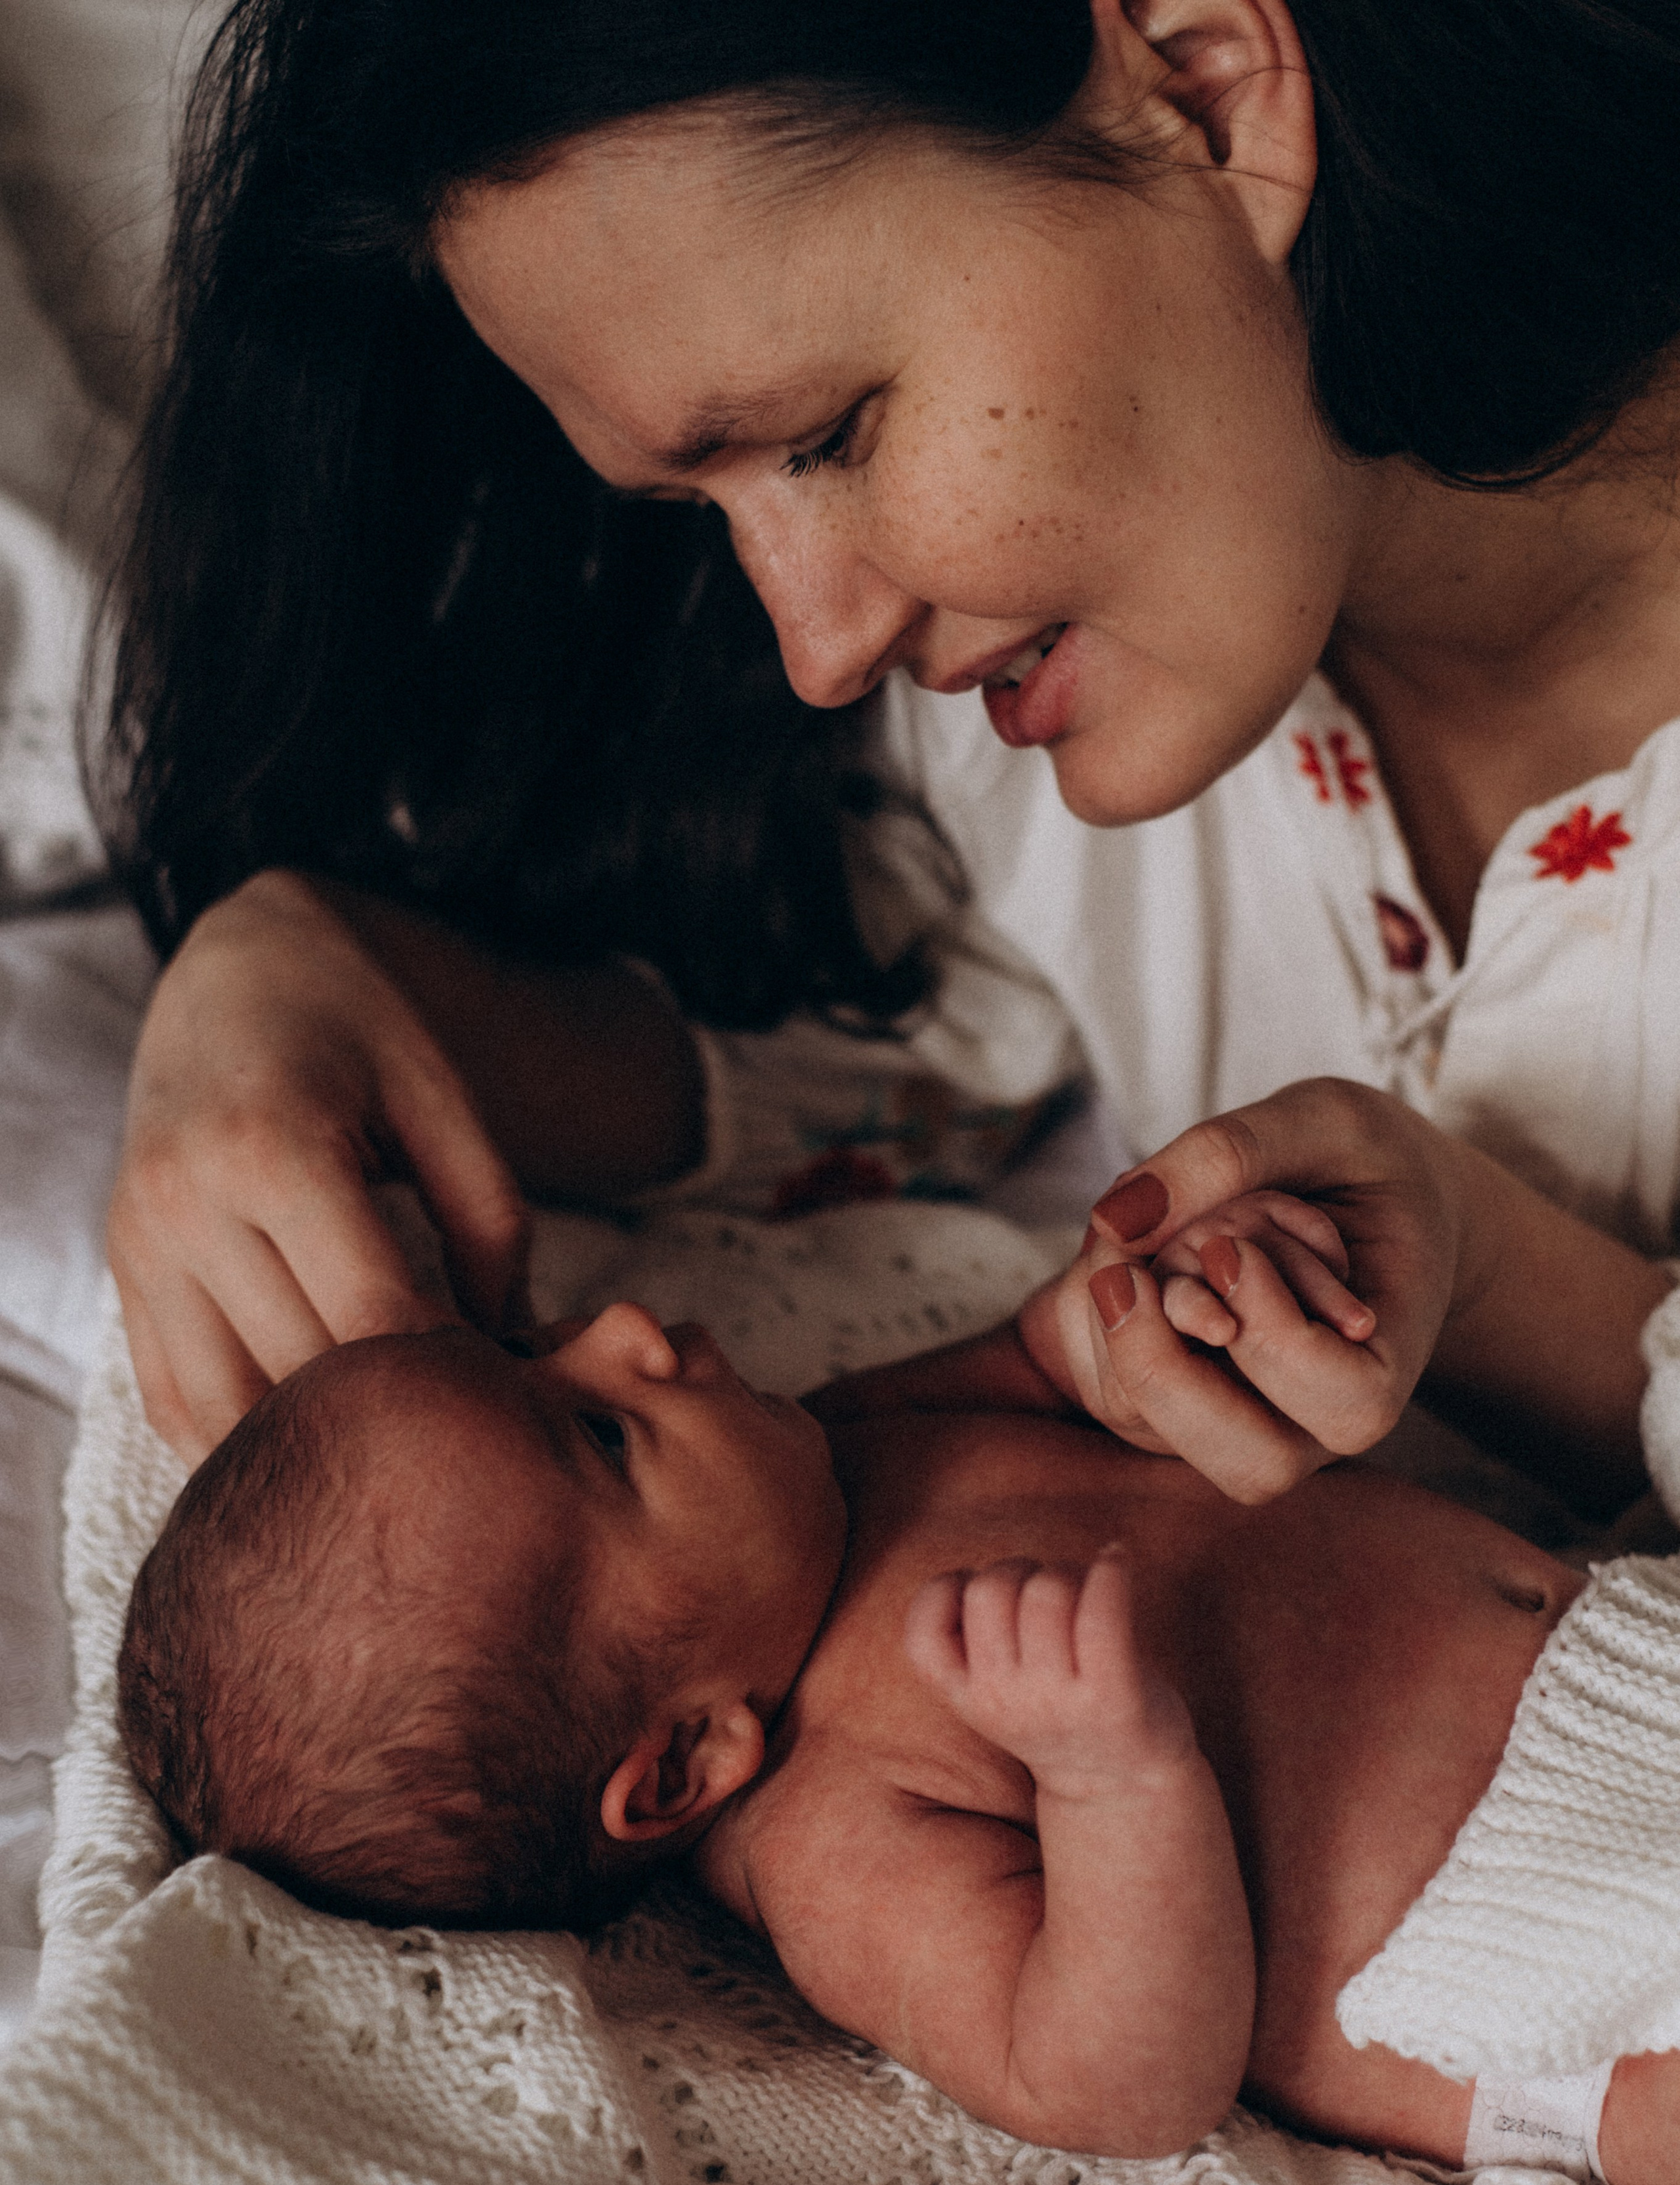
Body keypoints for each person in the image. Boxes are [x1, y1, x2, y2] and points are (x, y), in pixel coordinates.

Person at [102, 0, 1680, 1512]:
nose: (817, 647)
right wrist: (293, 970)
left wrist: (1484, 1280)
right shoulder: (1063, 730)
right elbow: (849, 1058)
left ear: (1204, 95)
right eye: (705, 508)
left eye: (828, 436)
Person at [115, 1175, 1680, 2185]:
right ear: (675, 1765)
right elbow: (1112, 2083)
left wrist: (1160, 1304)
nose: (627, 1331)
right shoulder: (831, 1834)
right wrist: (1109, 1777)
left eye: (536, 1344)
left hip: (1627, 1652)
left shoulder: (840, 1447)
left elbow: (1053, 1358)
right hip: (1521, 1963)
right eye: (598, 1433)